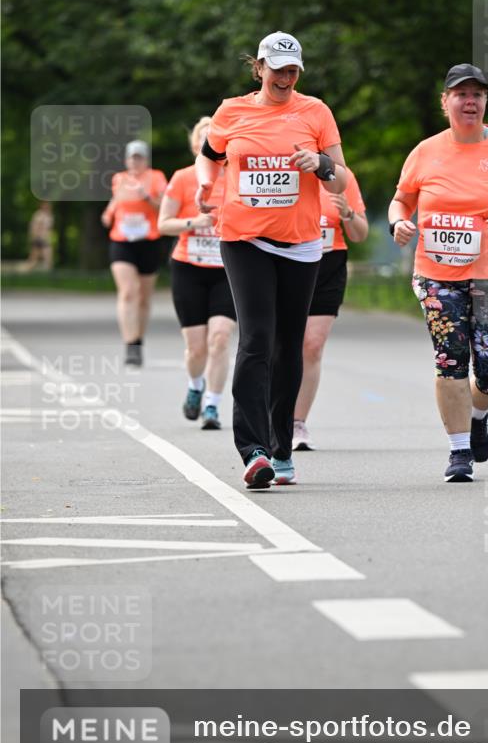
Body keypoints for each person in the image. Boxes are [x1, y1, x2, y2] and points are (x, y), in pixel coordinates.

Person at [195, 31, 347, 489]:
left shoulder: (315, 112)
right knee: (257, 339)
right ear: (258, 68)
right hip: (243, 238)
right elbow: (209, 156)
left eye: (292, 69)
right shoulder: (231, 111)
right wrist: (207, 186)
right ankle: (254, 449)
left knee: (288, 346)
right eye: (276, 68)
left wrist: (318, 165)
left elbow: (340, 180)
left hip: (300, 243)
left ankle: (282, 446)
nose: (284, 76)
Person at [389, 63, 488, 482]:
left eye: (477, 94)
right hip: (436, 274)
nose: (470, 101)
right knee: (450, 360)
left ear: (485, 102)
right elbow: (400, 201)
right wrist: (398, 223)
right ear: (446, 103)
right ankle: (459, 452)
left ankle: (478, 413)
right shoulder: (425, 152)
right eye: (461, 94)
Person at [158, 117, 236, 430]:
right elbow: (163, 224)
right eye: (204, 139)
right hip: (188, 267)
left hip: (228, 269)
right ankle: (195, 385)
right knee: (196, 347)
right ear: (196, 146)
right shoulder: (182, 178)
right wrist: (195, 223)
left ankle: (213, 407)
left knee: (219, 339)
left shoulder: (236, 177)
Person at [292, 170, 368, 451]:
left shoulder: (341, 177)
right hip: (290, 262)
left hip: (329, 265)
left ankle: (297, 422)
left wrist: (348, 214)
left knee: (311, 346)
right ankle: (274, 415)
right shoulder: (285, 170)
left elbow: (360, 234)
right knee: (285, 344)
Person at [101, 141, 167, 366]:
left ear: (146, 160)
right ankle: (130, 345)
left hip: (149, 242)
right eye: (131, 158)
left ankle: (138, 340)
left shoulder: (156, 177)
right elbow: (115, 202)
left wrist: (147, 197)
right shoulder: (119, 179)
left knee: (144, 297)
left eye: (139, 158)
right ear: (126, 160)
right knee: (128, 292)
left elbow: (166, 207)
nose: (135, 162)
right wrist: (108, 213)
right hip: (122, 241)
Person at [26, 201, 54, 270]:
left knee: (39, 257)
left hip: (45, 239)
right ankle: (50, 274)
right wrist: (35, 236)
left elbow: (49, 229)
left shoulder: (49, 216)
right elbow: (34, 227)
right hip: (39, 238)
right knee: (38, 257)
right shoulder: (39, 215)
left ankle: (50, 274)